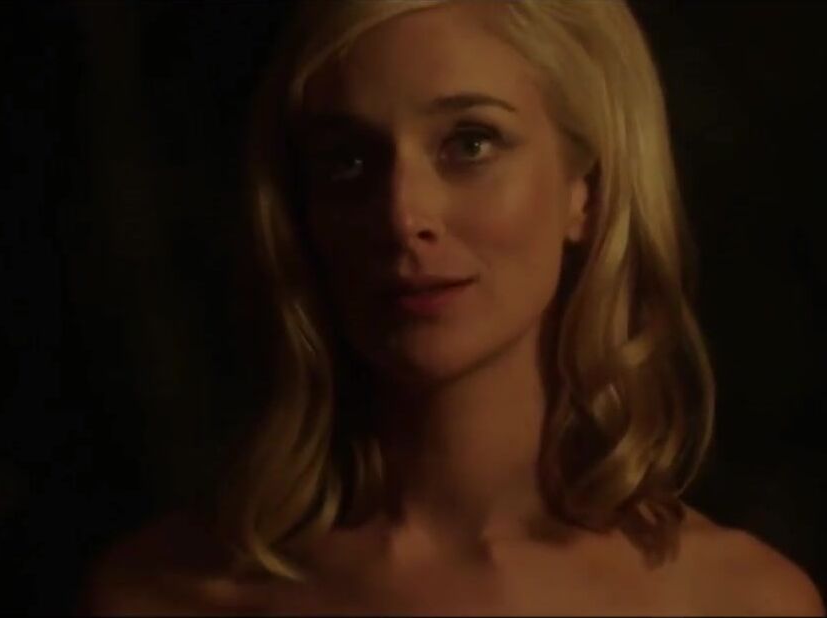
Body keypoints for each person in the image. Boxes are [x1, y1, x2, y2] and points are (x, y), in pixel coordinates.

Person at [82, 0, 824, 615]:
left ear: (587, 190)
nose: (403, 215)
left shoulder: (738, 602)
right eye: (348, 159)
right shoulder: (167, 595)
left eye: (470, 144)